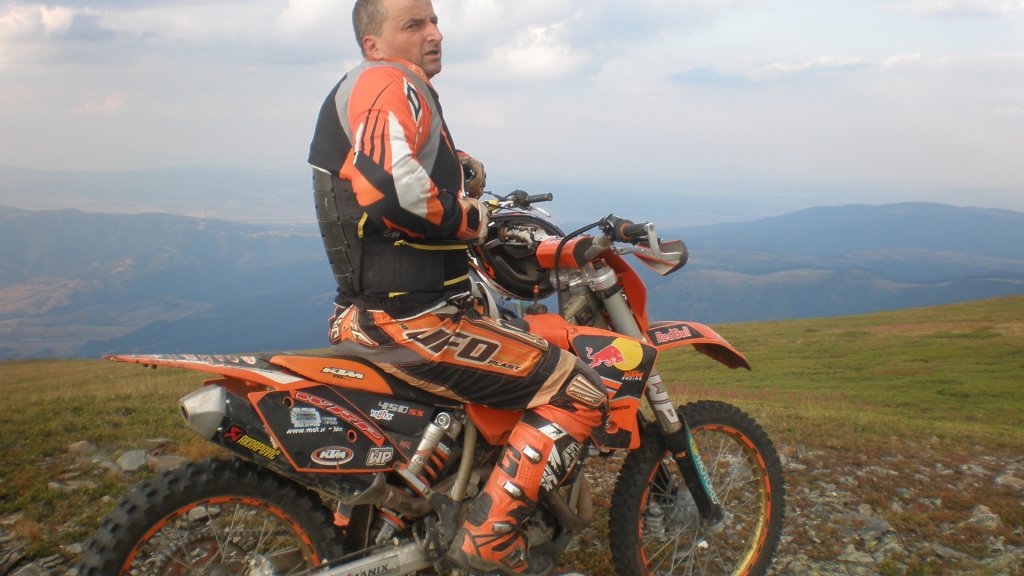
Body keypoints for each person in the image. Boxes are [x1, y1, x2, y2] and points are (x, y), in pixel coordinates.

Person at [307, 1, 607, 574]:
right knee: (578, 390)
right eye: (413, 24)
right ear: (373, 43)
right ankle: (490, 544)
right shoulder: (387, 82)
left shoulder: (382, 89)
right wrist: (474, 219)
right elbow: (393, 190)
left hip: (366, 315)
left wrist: (458, 165)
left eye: (434, 20)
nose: (435, 33)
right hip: (415, 323)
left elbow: (383, 164)